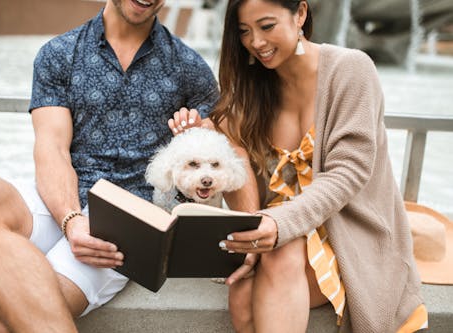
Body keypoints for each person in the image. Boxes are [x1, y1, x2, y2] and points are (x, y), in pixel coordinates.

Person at [0, 0, 218, 332]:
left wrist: (200, 131)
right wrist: (72, 222)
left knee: (1, 323)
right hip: (60, 202)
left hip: (127, 223)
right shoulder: (59, 53)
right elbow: (52, 151)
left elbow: (220, 158)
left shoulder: (191, 68)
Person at [170, 0, 427, 332]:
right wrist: (200, 133)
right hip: (271, 235)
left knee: (282, 253)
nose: (256, 42)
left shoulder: (351, 69)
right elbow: (233, 163)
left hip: (345, 234)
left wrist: (277, 225)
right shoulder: (251, 88)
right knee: (242, 289)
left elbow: (349, 171)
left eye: (267, 26)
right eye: (244, 31)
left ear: (301, 14)